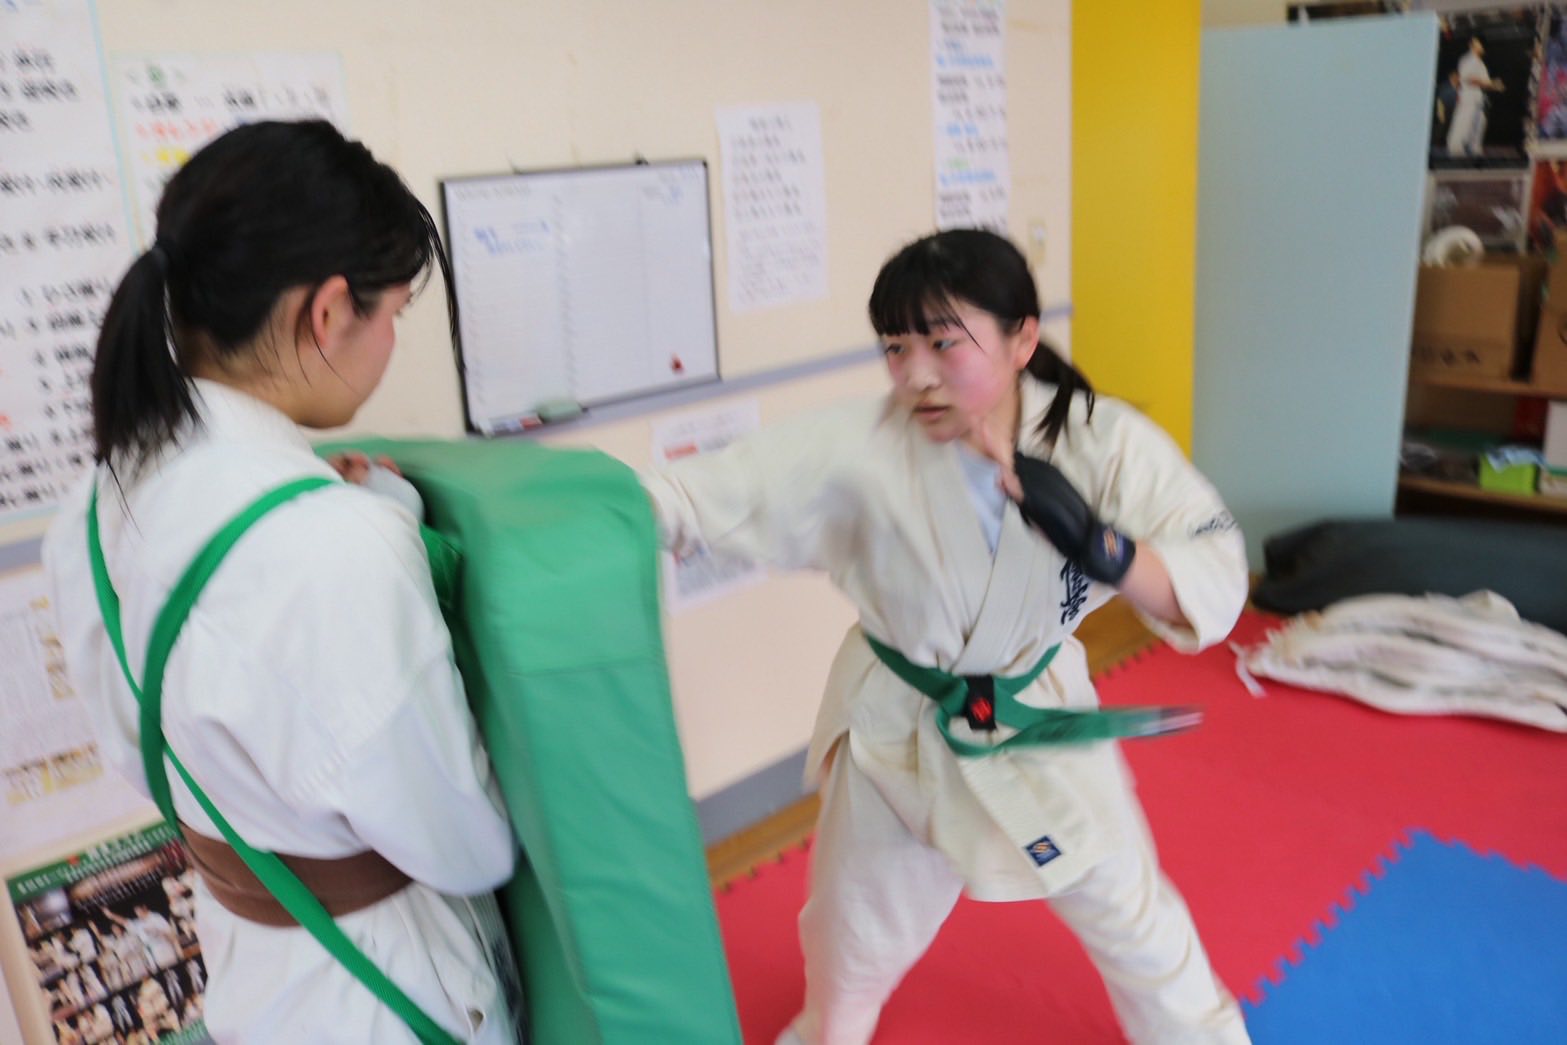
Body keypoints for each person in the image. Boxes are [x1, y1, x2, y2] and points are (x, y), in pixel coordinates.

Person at [642, 229, 1251, 1044]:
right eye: (895, 347)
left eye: (942, 342)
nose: (915, 374)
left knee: (1130, 909)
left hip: (1038, 708)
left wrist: (1099, 545)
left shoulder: (1100, 441)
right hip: (901, 725)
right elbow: (692, 494)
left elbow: (1212, 570)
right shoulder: (855, 444)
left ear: (1021, 338)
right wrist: (559, 511)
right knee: (851, 937)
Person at [43, 120, 518, 1043]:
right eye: (394, 313)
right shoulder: (336, 546)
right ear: (329, 312)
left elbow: (144, 749)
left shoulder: (93, 509)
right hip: (385, 995)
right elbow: (467, 844)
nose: (390, 340)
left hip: (253, 974)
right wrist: (385, 522)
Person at [1447, 36, 1504, 158]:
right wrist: (1492, 84)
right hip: (1468, 98)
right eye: (1477, 44)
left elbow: (1485, 83)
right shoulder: (1467, 60)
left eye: (1481, 45)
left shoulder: (1481, 64)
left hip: (1479, 100)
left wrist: (1494, 86)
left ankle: (1474, 150)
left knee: (1478, 126)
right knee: (1463, 124)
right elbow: (1468, 79)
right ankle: (1456, 151)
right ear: (1472, 45)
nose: (1480, 47)